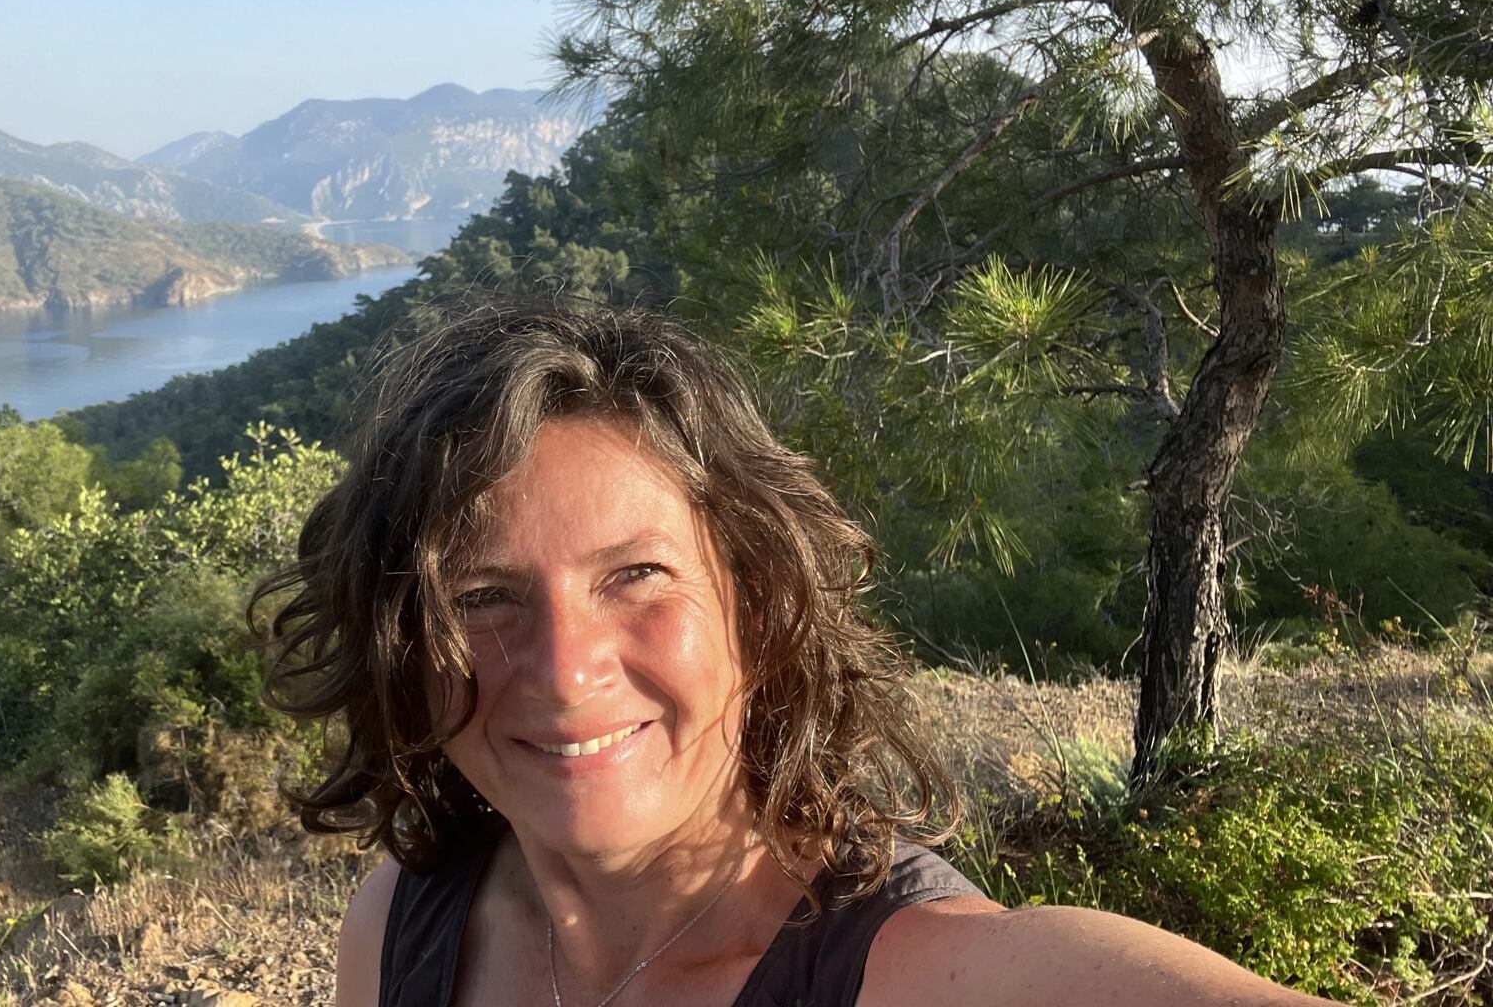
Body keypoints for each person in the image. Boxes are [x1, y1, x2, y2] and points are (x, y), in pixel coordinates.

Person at [257, 303, 1342, 1006]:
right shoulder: (401, 927)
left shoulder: (913, 971)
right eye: (483, 596)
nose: (565, 669)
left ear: (759, 607)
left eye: (636, 576)